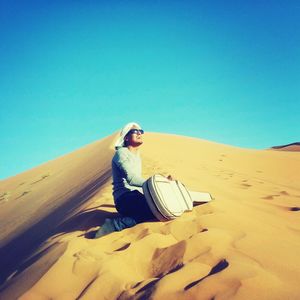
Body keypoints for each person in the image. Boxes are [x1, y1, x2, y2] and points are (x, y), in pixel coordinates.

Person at [94, 122, 174, 238]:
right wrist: (155, 184)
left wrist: (161, 181)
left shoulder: (137, 156)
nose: (139, 134)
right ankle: (115, 225)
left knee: (161, 207)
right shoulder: (121, 154)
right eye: (135, 131)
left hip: (136, 196)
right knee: (156, 210)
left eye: (141, 131)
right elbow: (131, 179)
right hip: (124, 198)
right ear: (126, 137)